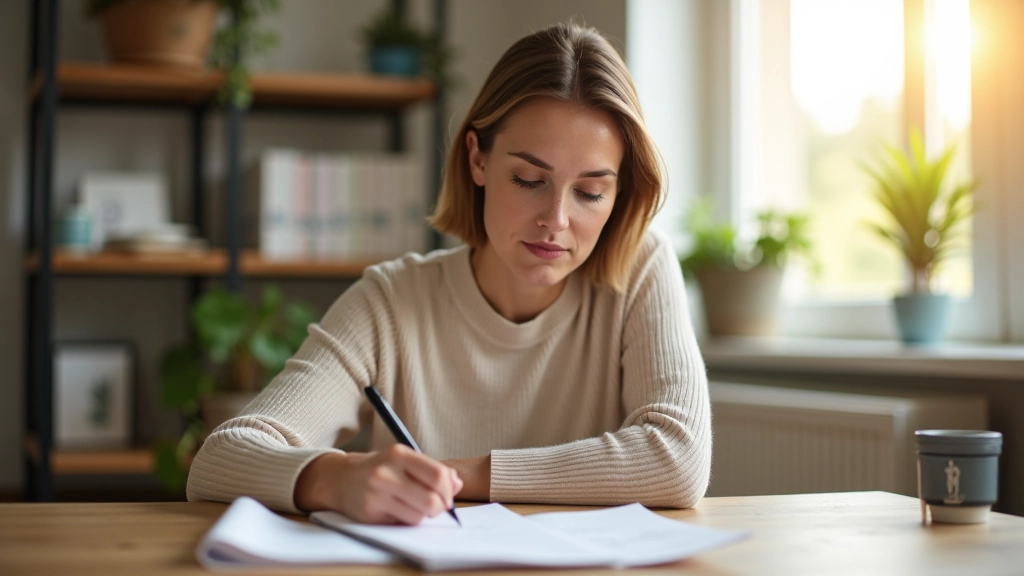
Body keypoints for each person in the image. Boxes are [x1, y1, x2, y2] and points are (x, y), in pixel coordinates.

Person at [187, 22, 711, 525]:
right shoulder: (392, 301)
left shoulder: (640, 271)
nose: (556, 219)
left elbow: (678, 460)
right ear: (477, 159)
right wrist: (334, 476)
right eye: (529, 179)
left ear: (619, 193)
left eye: (591, 192)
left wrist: (456, 476)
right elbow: (221, 458)